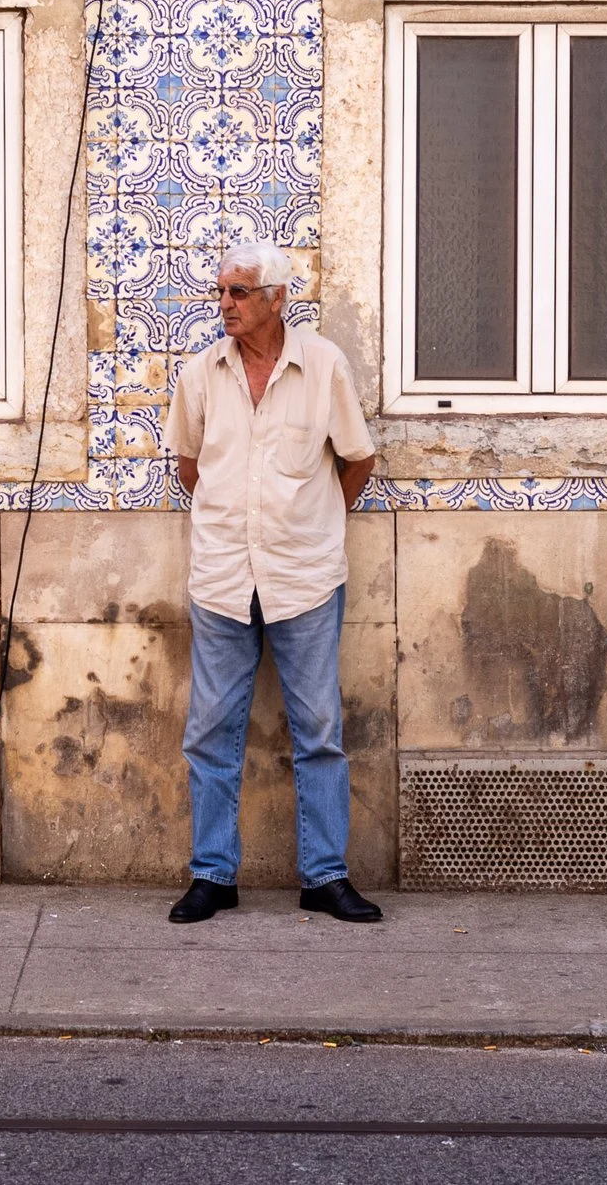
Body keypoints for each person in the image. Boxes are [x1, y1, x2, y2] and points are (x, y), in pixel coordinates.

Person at [165, 241, 381, 924]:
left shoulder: (322, 367)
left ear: (277, 297)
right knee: (209, 730)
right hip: (224, 576)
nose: (224, 305)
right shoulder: (201, 374)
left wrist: (312, 523)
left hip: (305, 578)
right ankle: (212, 874)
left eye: (238, 293)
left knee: (319, 729)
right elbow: (189, 464)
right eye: (221, 292)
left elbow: (357, 458)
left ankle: (324, 876)